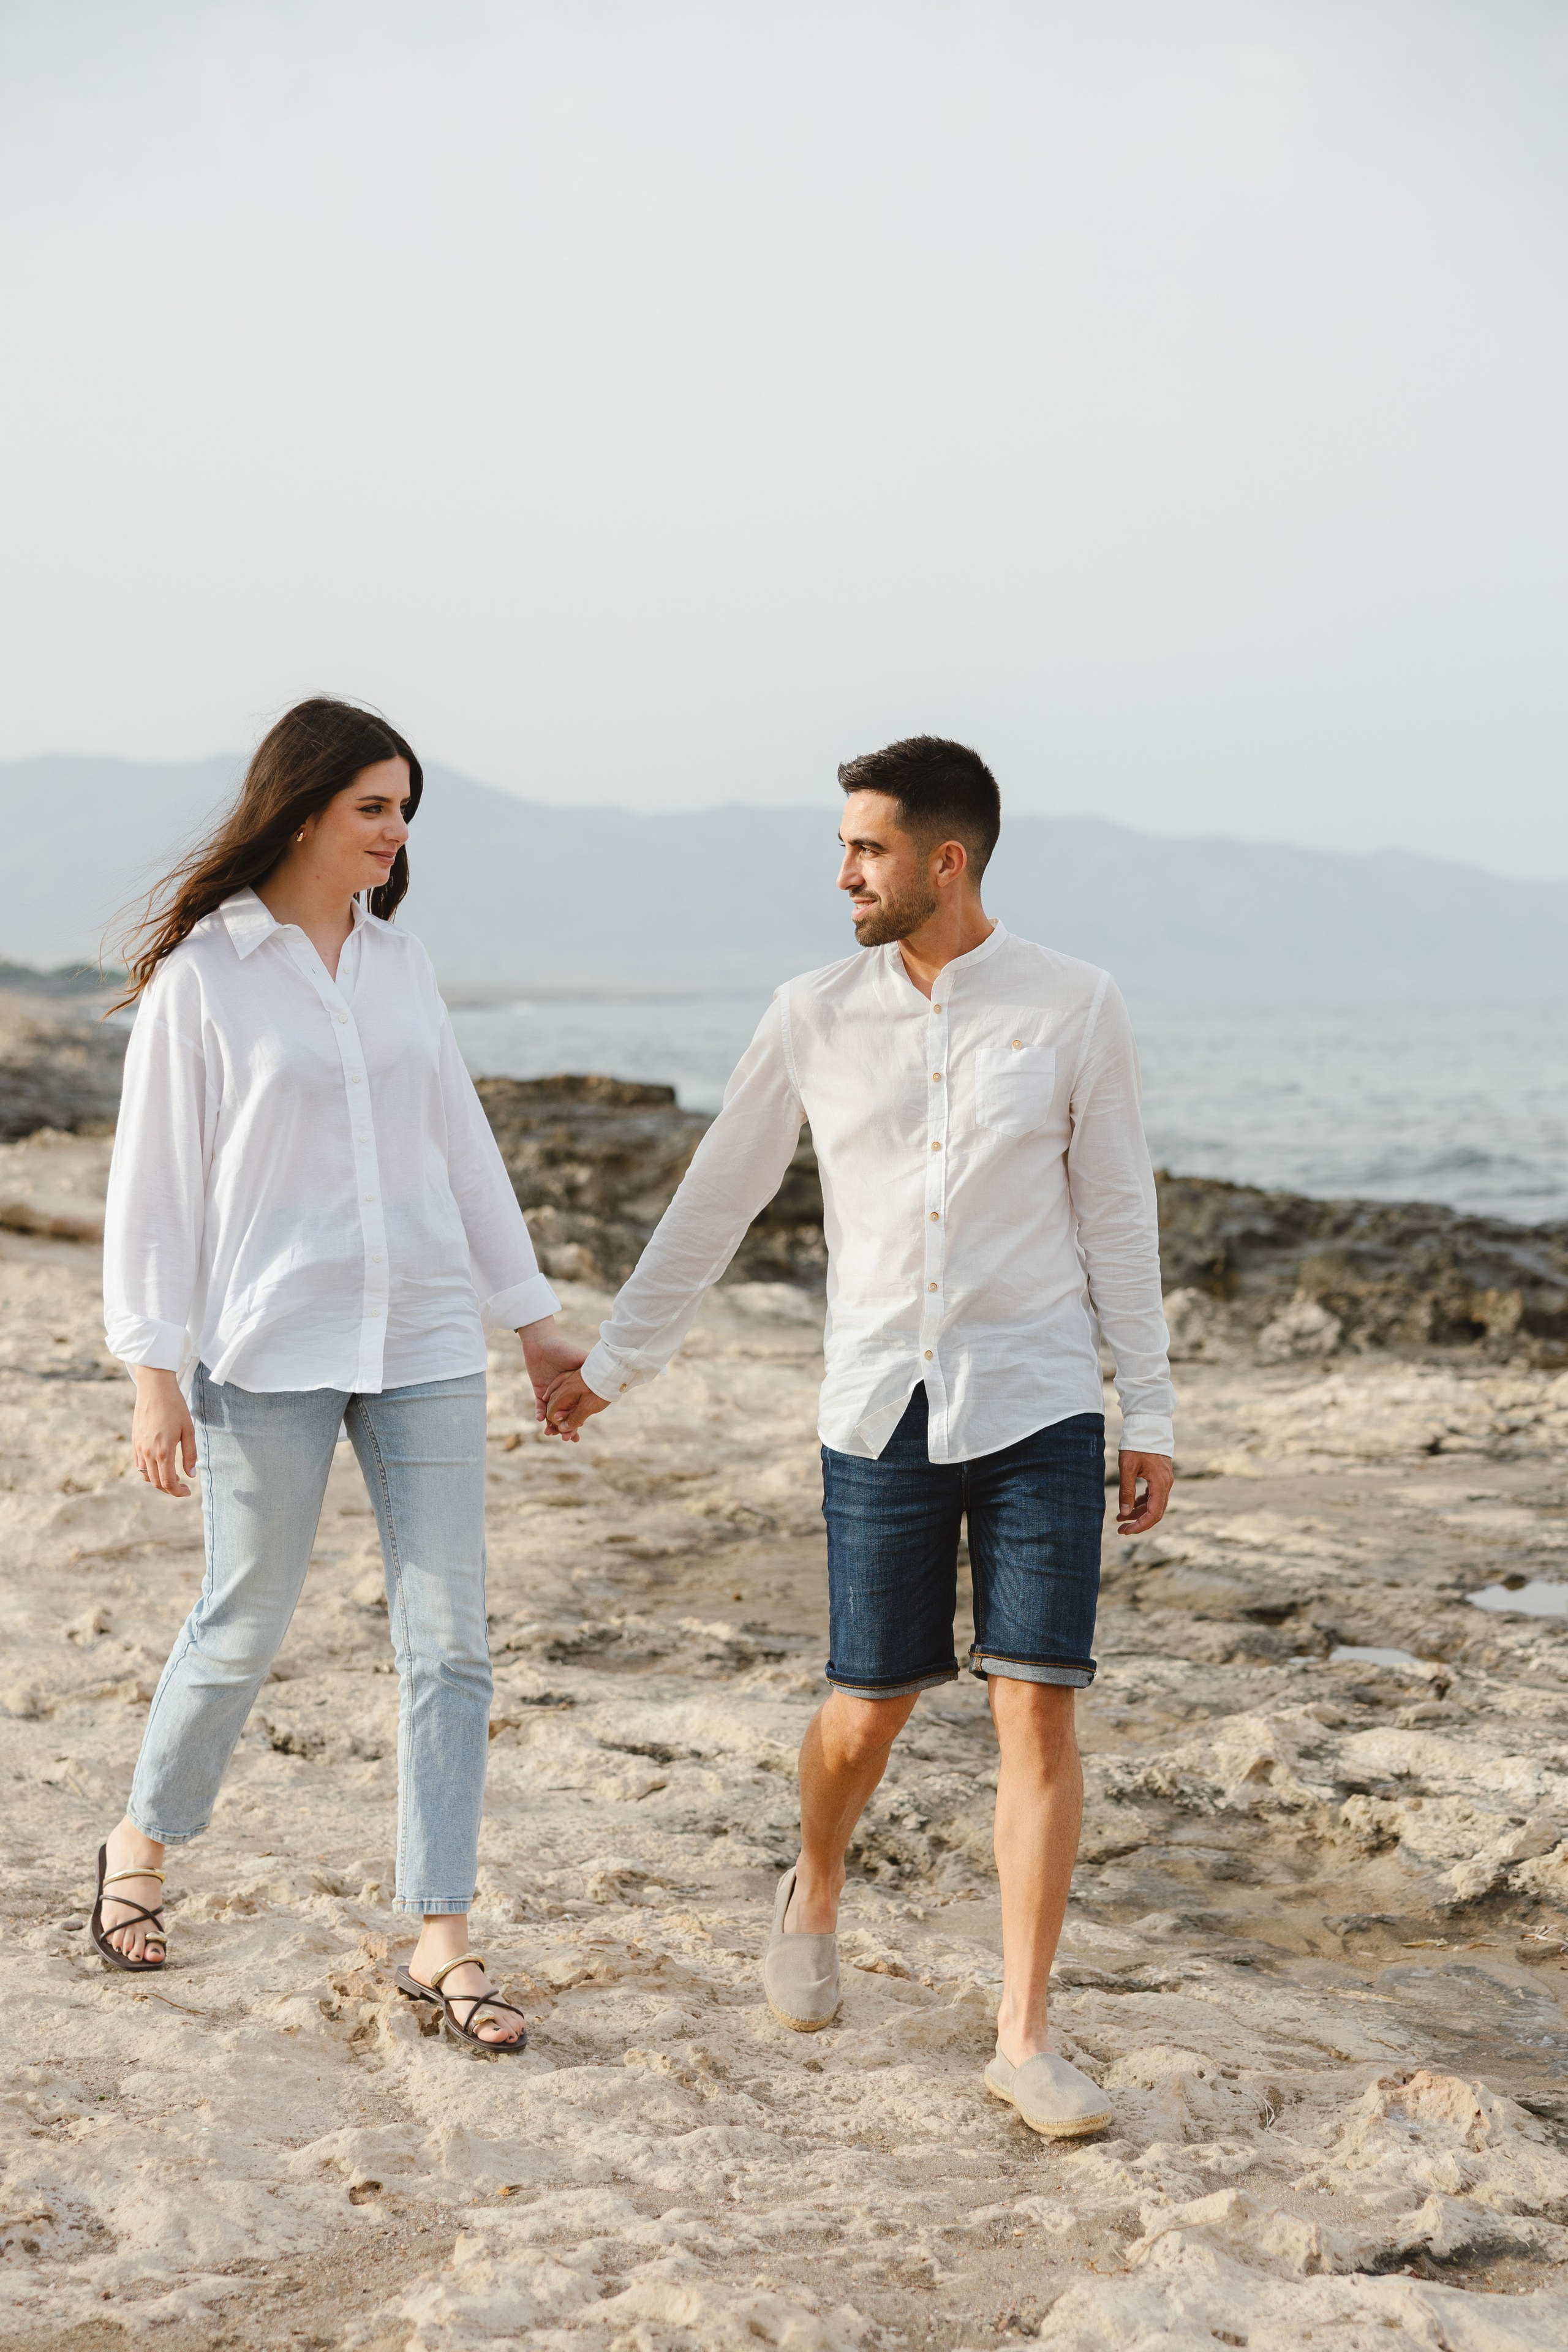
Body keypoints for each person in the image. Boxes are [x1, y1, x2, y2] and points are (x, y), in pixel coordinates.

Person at [543, 736, 1174, 2136]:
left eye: (866, 850)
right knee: (869, 1705)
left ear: (942, 862)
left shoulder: (1074, 1005)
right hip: (879, 1407)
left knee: (1037, 1703)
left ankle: (1022, 2036)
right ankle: (814, 1878)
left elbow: (1116, 1213)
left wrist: (1153, 1407)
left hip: (1041, 1406)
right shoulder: (808, 1013)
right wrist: (616, 1361)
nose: (842, 873)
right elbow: (719, 1197)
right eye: (843, 849)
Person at [92, 698, 585, 2054]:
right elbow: (156, 1192)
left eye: (405, 807)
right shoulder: (206, 976)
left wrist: (531, 1320)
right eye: (375, 806)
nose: (395, 831)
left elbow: (463, 1148)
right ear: (303, 808)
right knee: (243, 1619)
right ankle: (139, 1843)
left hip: (423, 1336)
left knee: (452, 1648)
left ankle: (442, 1939)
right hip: (268, 1345)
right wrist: (153, 1371)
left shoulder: (400, 965)